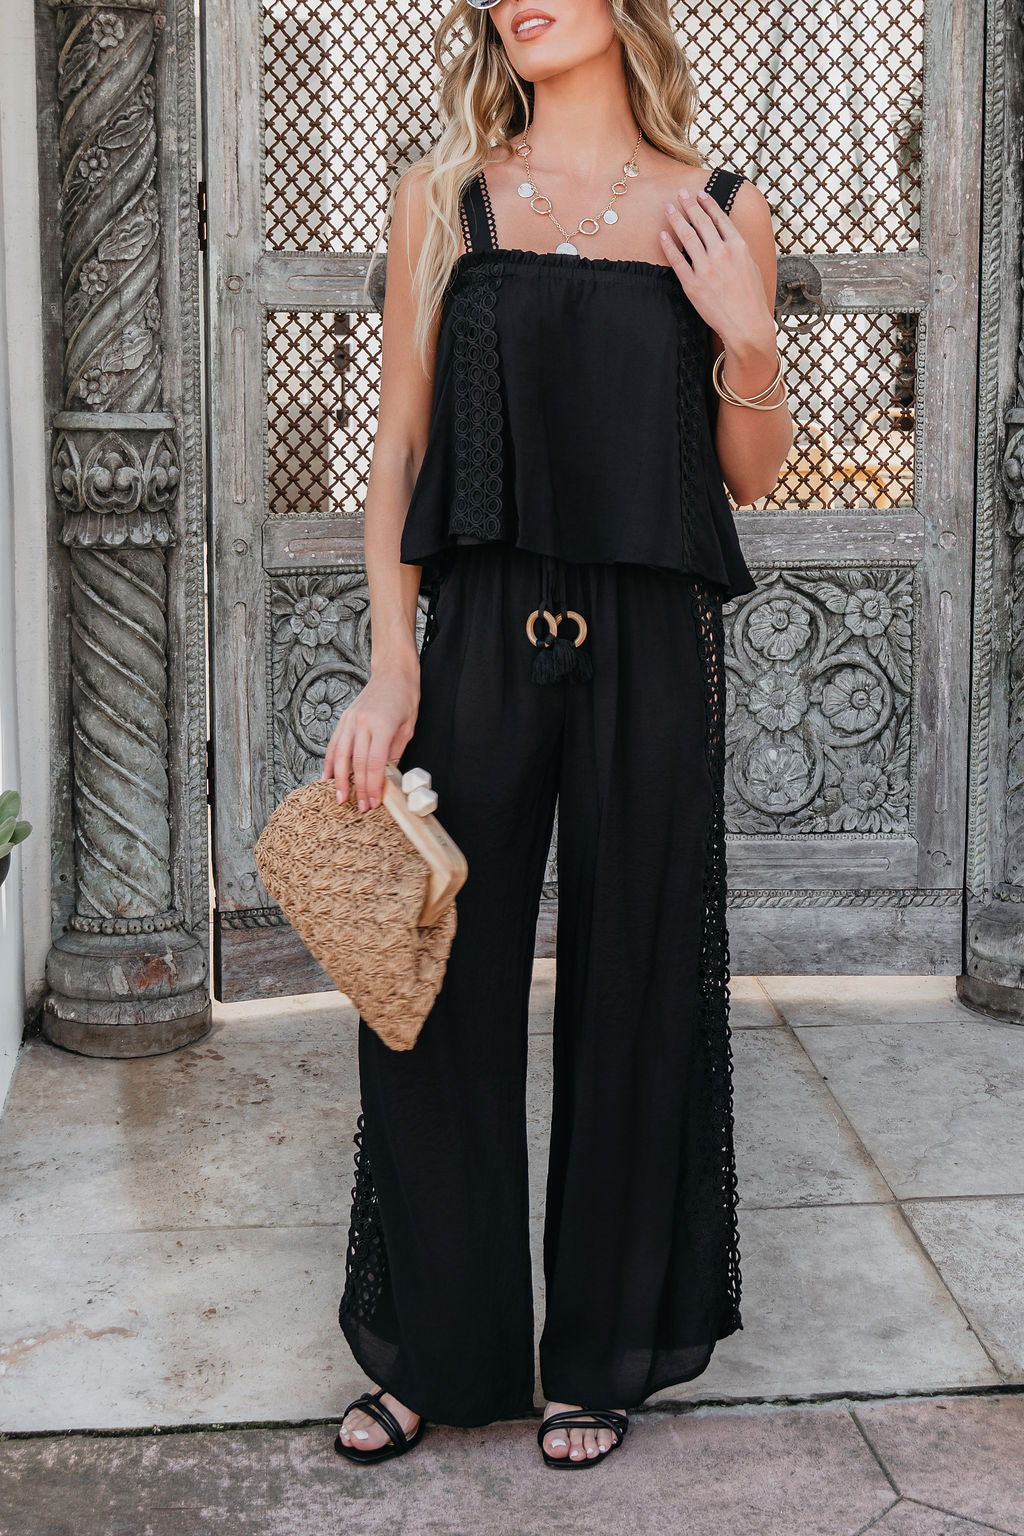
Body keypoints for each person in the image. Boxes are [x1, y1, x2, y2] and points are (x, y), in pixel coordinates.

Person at [323, 0, 793, 1469]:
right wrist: (392, 665)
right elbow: (398, 448)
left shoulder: (716, 207)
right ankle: (438, 1345)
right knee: (434, 984)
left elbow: (750, 474)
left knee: (637, 976)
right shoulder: (442, 199)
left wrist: (749, 340)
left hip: (652, 635)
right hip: (481, 620)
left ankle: (601, 1345)